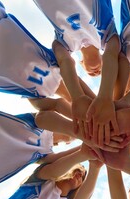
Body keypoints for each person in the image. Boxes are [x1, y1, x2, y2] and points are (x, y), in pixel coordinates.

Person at [32, 0, 125, 146]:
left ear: (80, 63)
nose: (96, 71)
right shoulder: (108, 34)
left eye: (92, 73)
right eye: (101, 70)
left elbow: (65, 63)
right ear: (102, 57)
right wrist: (105, 96)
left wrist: (77, 97)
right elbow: (112, 55)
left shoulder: (62, 43)